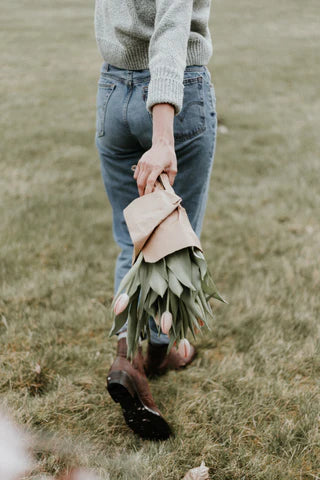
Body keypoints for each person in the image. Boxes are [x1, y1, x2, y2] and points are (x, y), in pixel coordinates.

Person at [94, 0, 217, 441]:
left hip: (112, 90)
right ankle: (162, 351)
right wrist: (163, 134)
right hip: (174, 94)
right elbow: (169, 27)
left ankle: (127, 357)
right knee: (173, 240)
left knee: (132, 241)